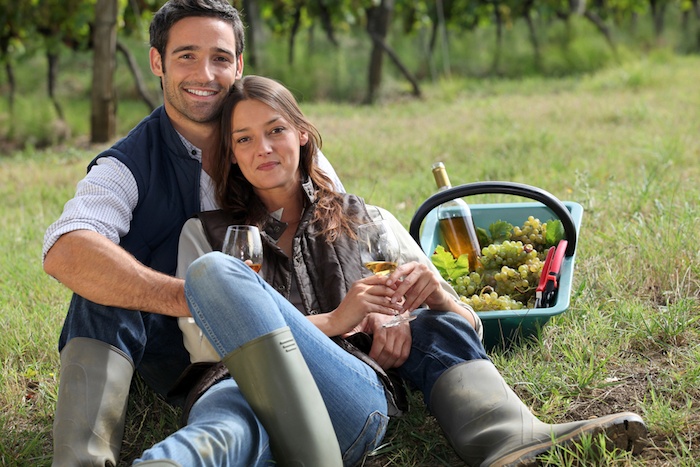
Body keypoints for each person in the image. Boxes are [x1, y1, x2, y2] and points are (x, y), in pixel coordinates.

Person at [143, 74, 647, 466]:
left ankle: (509, 440)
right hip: (238, 389)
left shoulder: (368, 221)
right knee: (217, 415)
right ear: (230, 154)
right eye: (245, 139)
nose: (264, 149)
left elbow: (464, 326)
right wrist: (337, 321)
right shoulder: (204, 234)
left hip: (343, 402)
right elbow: (207, 346)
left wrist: (437, 298)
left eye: (275, 130)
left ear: (301, 133)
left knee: (434, 324)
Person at [41, 1, 344, 465]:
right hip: (177, 350)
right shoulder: (127, 165)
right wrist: (207, 298)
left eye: (221, 58)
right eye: (186, 56)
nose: (205, 73)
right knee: (100, 287)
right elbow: (65, 249)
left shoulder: (279, 144)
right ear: (157, 62)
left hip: (289, 337)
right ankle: (81, 458)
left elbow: (345, 237)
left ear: (239, 64)